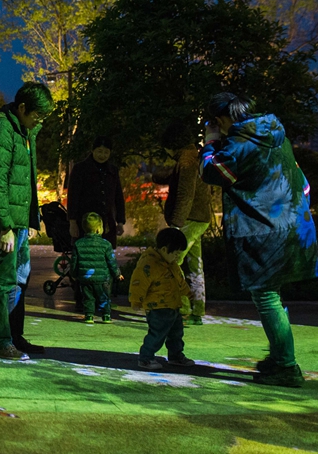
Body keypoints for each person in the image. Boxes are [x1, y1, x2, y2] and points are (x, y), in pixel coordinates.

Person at [199, 93, 318, 388]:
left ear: (221, 120)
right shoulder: (276, 136)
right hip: (295, 225)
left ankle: (287, 367)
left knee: (266, 297)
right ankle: (280, 357)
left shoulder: (240, 145)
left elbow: (211, 172)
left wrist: (210, 143)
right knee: (272, 296)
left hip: (264, 231)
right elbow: (304, 185)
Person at [0, 81, 54, 358]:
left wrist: (32, 219)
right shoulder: (0, 130)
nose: (39, 121)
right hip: (3, 221)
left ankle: (14, 336)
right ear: (21, 108)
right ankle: (0, 341)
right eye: (37, 116)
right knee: (3, 280)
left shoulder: (24, 130)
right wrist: (5, 226)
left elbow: (26, 179)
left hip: (18, 220)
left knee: (19, 279)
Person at [153, 120, 214, 325]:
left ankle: (183, 308)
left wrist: (176, 226)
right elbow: (175, 177)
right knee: (195, 264)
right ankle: (198, 309)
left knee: (173, 261)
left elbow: (186, 194)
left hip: (190, 219)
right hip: (199, 218)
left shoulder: (186, 160)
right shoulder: (191, 157)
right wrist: (158, 175)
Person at [128, 227, 196, 371]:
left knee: (176, 333)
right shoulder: (149, 264)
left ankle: (175, 356)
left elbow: (179, 281)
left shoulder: (172, 264)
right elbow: (138, 283)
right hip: (157, 307)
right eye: (176, 253)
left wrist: (187, 293)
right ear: (165, 250)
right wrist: (136, 300)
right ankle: (145, 358)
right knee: (157, 334)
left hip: (173, 306)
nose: (178, 257)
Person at [67, 137, 126, 247]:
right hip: (85, 223)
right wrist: (72, 221)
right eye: (99, 151)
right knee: (85, 255)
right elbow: (73, 196)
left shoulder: (112, 171)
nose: (102, 155)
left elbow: (118, 197)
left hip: (107, 223)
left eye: (106, 152)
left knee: (106, 256)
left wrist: (120, 221)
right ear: (93, 150)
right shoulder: (80, 169)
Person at [72, 212, 123, 324]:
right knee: (104, 297)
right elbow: (111, 262)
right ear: (99, 228)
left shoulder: (78, 244)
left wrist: (75, 274)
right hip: (102, 279)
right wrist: (117, 274)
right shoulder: (106, 244)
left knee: (88, 298)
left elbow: (74, 262)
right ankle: (106, 315)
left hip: (85, 278)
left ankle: (89, 316)